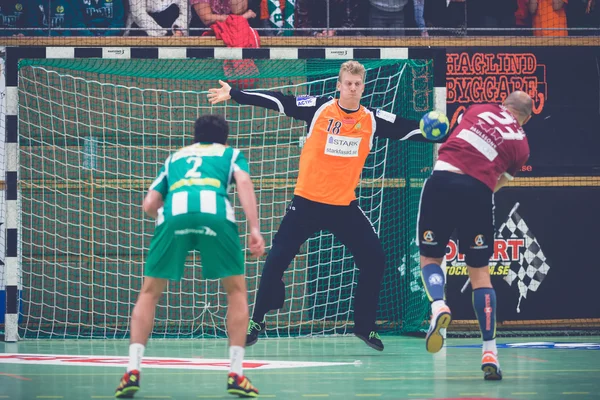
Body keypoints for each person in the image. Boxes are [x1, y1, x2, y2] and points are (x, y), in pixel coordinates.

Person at [207, 60, 444, 352]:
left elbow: (408, 129)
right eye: (348, 83)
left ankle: (365, 326)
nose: (353, 88)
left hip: (343, 206)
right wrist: (237, 94)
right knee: (275, 261)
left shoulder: (371, 119)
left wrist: (438, 131)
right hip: (306, 202)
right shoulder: (318, 108)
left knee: (375, 259)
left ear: (363, 86)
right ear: (339, 85)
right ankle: (257, 321)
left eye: (358, 84)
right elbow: (280, 101)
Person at [115, 115, 265, 398]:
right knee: (236, 291)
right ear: (225, 139)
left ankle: (132, 370)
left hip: (174, 215)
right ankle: (236, 374)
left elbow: (149, 204)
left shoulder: (175, 158)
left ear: (195, 138)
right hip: (216, 215)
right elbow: (243, 183)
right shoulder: (230, 153)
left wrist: (167, 218)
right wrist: (254, 229)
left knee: (149, 292)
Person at [417, 91, 533, 380]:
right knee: (480, 274)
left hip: (442, 180)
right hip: (478, 191)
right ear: (526, 118)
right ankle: (489, 350)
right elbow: (498, 183)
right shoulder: (521, 145)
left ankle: (438, 304)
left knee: (431, 256)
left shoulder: (480, 108)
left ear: (503, 104)